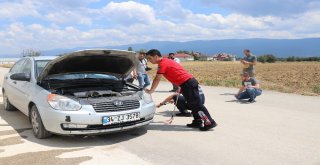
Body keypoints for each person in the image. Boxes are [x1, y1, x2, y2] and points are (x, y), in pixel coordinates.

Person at [145, 49, 217, 131]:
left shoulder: (163, 63)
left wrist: (151, 90)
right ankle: (197, 121)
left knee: (196, 104)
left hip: (188, 83)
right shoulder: (165, 61)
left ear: (156, 56)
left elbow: (157, 78)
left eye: (150, 58)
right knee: (193, 104)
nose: (149, 60)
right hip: (186, 84)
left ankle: (210, 122)